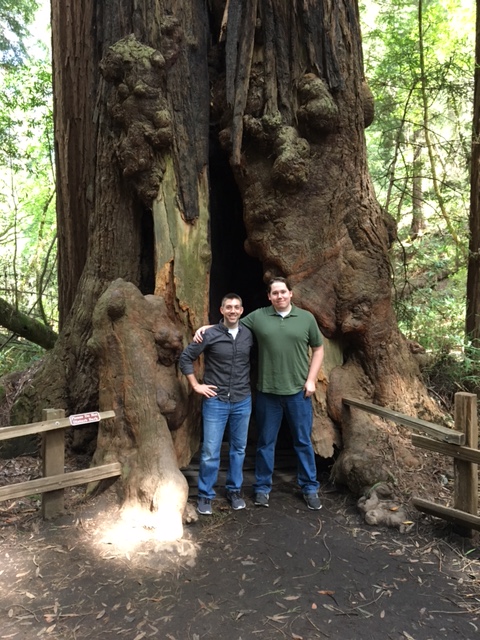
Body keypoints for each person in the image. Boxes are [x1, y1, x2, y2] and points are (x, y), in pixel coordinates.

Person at [195, 277, 324, 511]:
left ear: (291, 294)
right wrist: (208, 328)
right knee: (265, 443)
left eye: (283, 292)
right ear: (269, 296)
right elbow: (231, 325)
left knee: (303, 441)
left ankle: (309, 487)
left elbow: (318, 348)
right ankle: (262, 488)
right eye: (275, 293)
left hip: (298, 392)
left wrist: (312, 379)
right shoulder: (259, 317)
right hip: (267, 393)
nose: (280, 296)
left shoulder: (306, 318)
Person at [179, 293, 253, 515]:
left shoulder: (249, 334)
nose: (232, 310)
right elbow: (185, 358)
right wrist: (196, 385)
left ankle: (234, 490)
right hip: (216, 401)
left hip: (242, 400)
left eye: (236, 307)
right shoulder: (209, 335)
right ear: (221, 310)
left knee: (238, 449)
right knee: (210, 451)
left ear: (242, 310)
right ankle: (205, 495)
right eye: (228, 307)